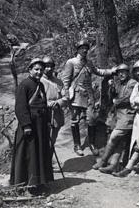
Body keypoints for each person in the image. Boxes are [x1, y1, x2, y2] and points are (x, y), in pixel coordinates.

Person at [62, 39, 116, 156]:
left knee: (91, 119)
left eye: (86, 48)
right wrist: (66, 95)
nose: (85, 50)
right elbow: (66, 80)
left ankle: (91, 143)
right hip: (76, 95)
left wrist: (111, 71)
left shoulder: (89, 63)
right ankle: (77, 145)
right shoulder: (71, 62)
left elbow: (98, 71)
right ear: (78, 49)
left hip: (89, 95)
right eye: (82, 48)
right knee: (75, 120)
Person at [10, 58, 53, 195]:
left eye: (41, 70)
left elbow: (43, 104)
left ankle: (39, 182)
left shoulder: (40, 85)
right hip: (29, 126)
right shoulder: (24, 85)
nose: (39, 72)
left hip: (40, 126)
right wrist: (27, 125)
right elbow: (20, 107)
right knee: (29, 154)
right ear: (30, 70)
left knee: (39, 153)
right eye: (36, 69)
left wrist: (46, 121)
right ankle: (26, 185)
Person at [92, 63, 137, 174]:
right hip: (118, 116)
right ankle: (113, 164)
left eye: (124, 72)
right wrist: (111, 87)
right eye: (119, 73)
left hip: (128, 115)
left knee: (113, 137)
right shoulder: (119, 84)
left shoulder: (132, 83)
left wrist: (117, 101)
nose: (121, 74)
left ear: (128, 72)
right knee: (119, 141)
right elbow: (111, 96)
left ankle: (103, 161)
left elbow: (129, 98)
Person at [113, 59, 139, 178]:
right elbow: (132, 101)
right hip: (138, 116)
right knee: (136, 140)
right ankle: (128, 167)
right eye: (137, 71)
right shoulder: (137, 84)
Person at [41, 56, 67, 145]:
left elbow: (66, 96)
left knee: (52, 142)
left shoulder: (59, 82)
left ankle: (49, 158)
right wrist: (47, 104)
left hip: (56, 116)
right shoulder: (38, 81)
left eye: (51, 66)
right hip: (43, 116)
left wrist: (59, 103)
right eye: (46, 66)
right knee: (42, 143)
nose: (49, 68)